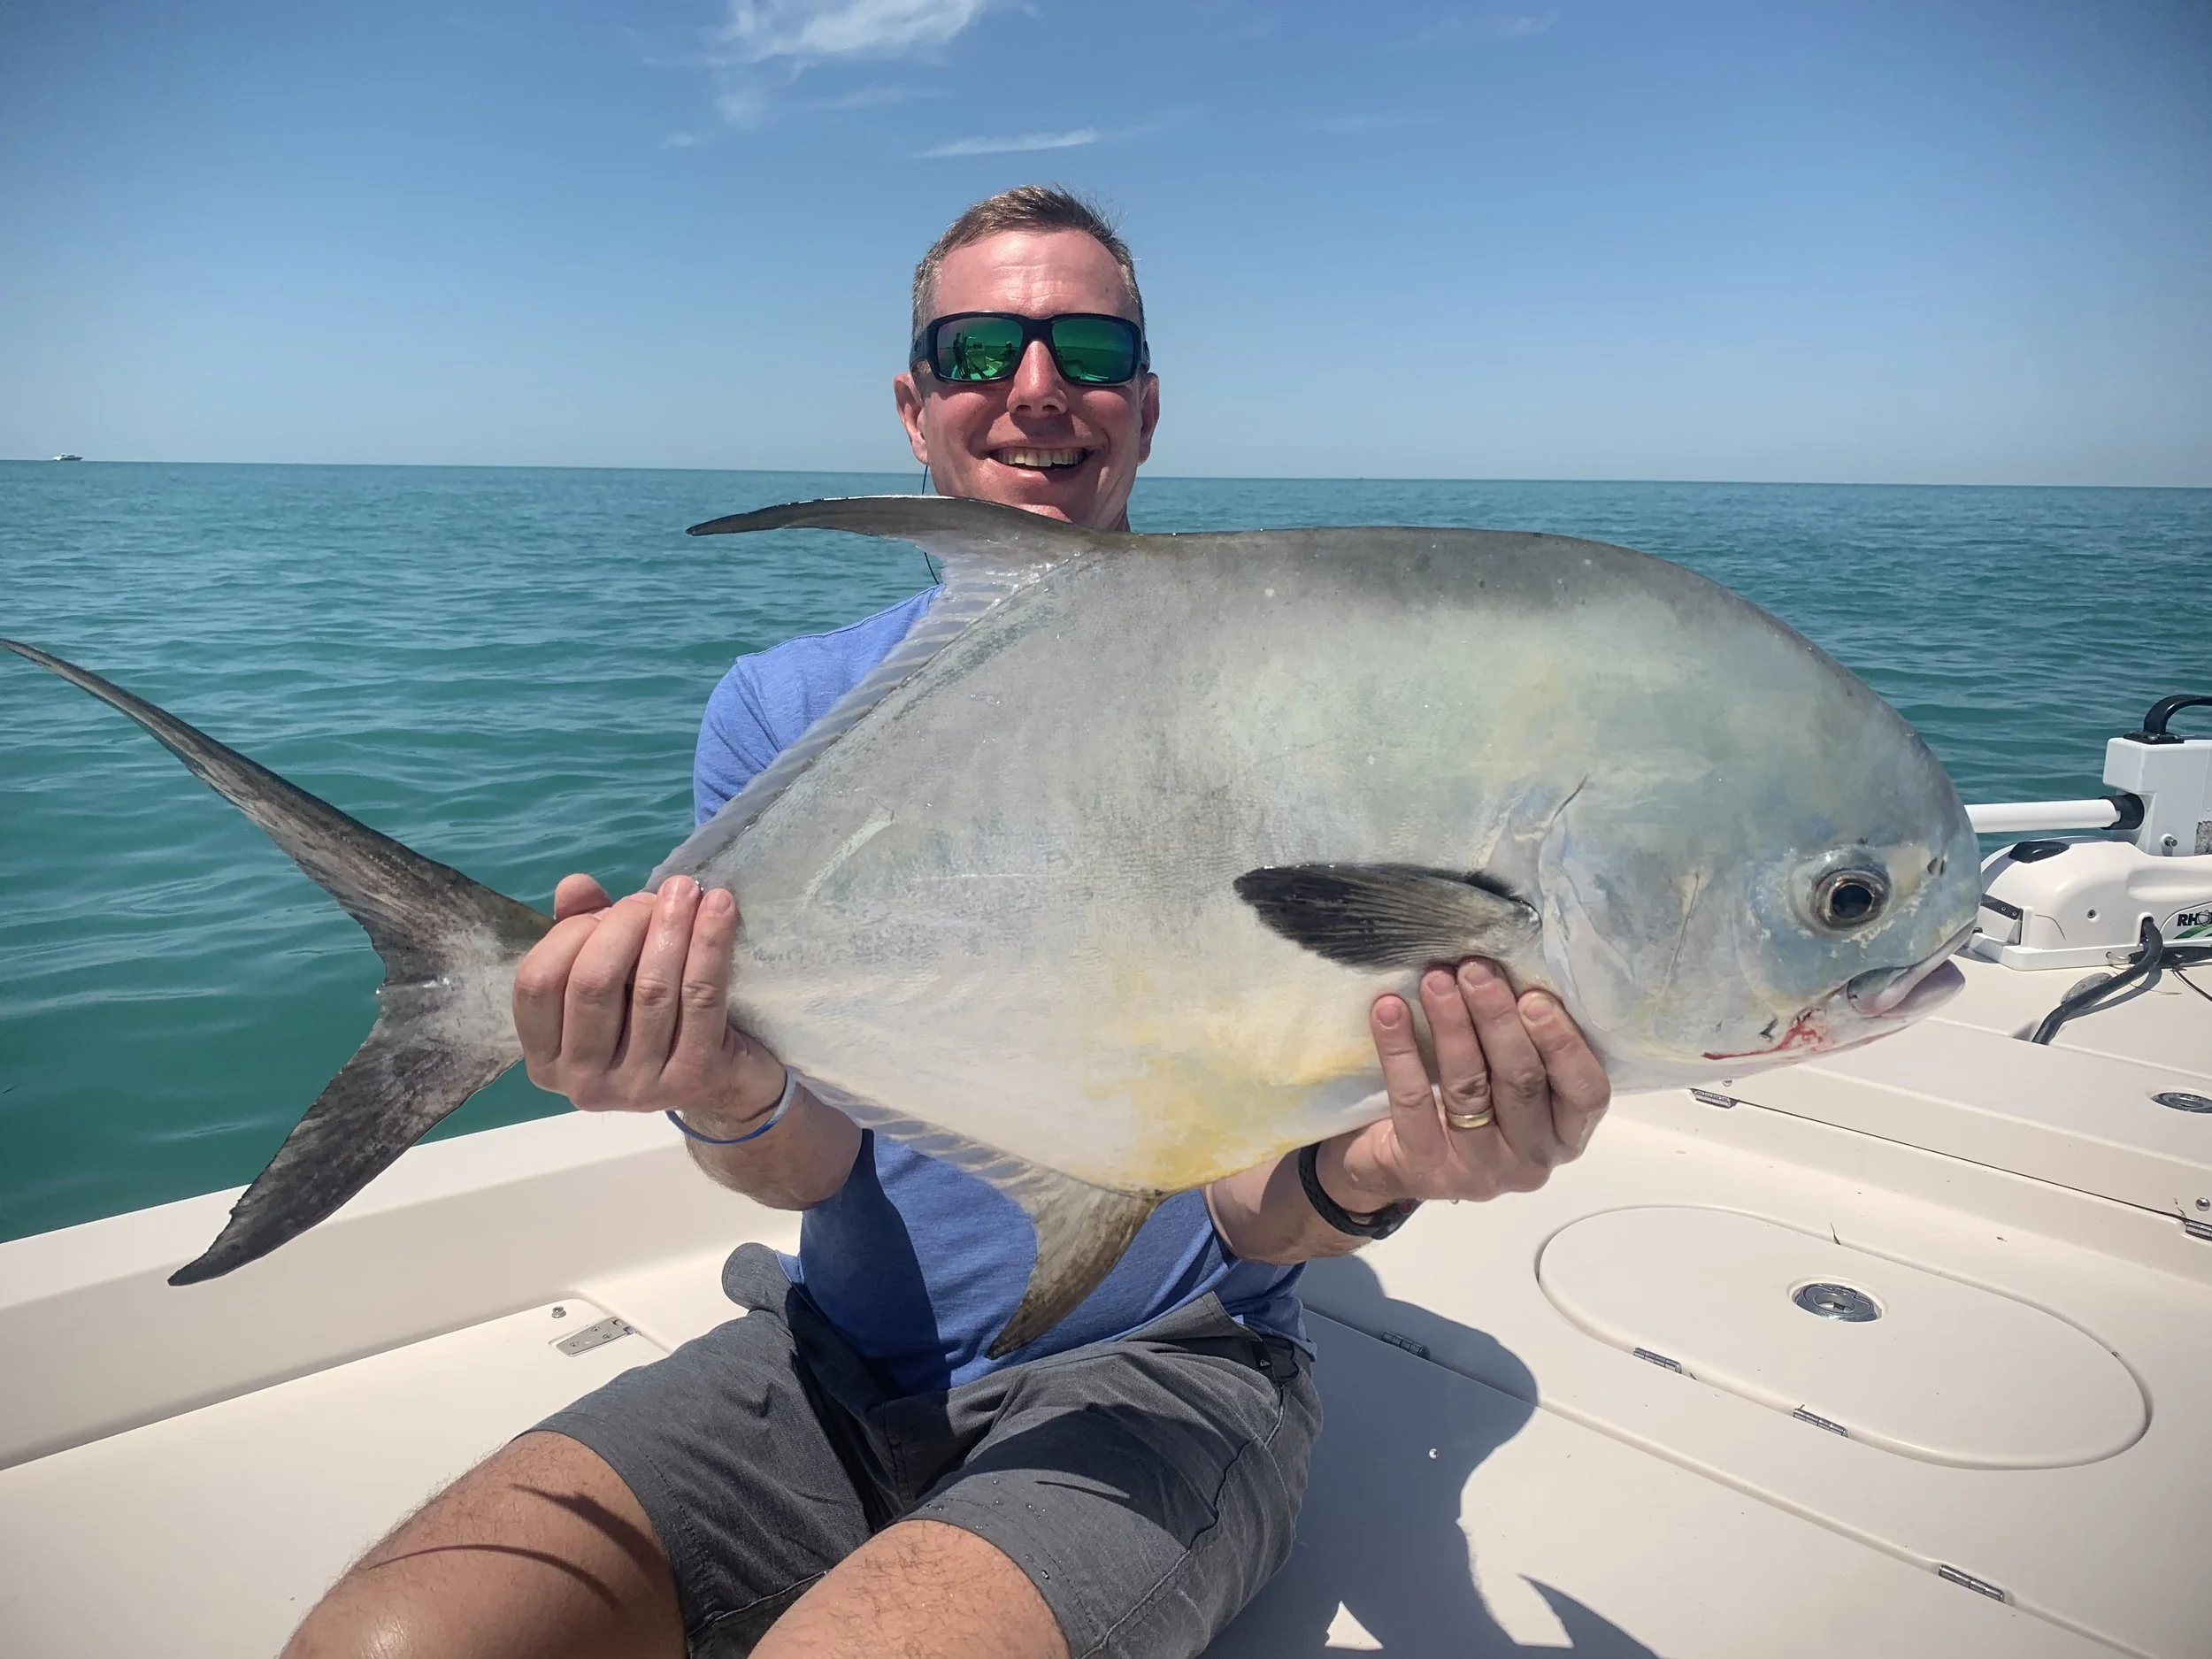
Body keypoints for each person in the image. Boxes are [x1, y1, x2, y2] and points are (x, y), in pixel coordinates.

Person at [286, 187, 1612, 1659]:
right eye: (981, 348)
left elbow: (1245, 1203)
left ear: (1148, 406)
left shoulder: (1292, 714)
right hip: (825, 1365)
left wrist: (1381, 1166)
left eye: (1088, 346)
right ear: (915, 409)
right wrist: (714, 1076)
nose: (1036, 388)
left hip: (1164, 1381)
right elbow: (814, 1161)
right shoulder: (781, 710)